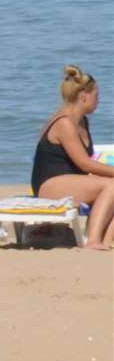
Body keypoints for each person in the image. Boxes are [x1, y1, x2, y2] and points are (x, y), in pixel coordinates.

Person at [31, 66, 114, 250]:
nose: (98, 100)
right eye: (96, 96)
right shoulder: (64, 123)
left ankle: (107, 241)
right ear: (84, 95)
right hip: (49, 185)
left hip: (70, 181)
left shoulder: (82, 121)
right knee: (112, 185)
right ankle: (92, 240)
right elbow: (85, 164)